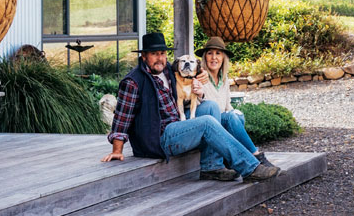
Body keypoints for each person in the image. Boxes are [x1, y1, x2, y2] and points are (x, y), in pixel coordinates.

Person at [101, 32, 280, 183]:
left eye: (163, 53)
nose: (160, 58)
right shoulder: (133, 82)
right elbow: (122, 117)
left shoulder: (167, 71)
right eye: (155, 54)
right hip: (159, 137)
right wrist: (117, 150)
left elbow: (193, 69)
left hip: (177, 124)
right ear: (144, 56)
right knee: (207, 122)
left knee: (210, 106)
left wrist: (202, 76)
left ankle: (212, 166)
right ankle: (250, 168)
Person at [196, 37, 274, 167]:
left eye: (218, 53)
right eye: (210, 53)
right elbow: (199, 105)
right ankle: (255, 155)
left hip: (221, 121)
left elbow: (227, 105)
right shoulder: (200, 76)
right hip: (208, 125)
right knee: (231, 117)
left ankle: (230, 160)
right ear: (205, 57)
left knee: (237, 116)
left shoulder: (224, 78)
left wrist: (236, 116)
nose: (214, 57)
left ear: (223, 58)